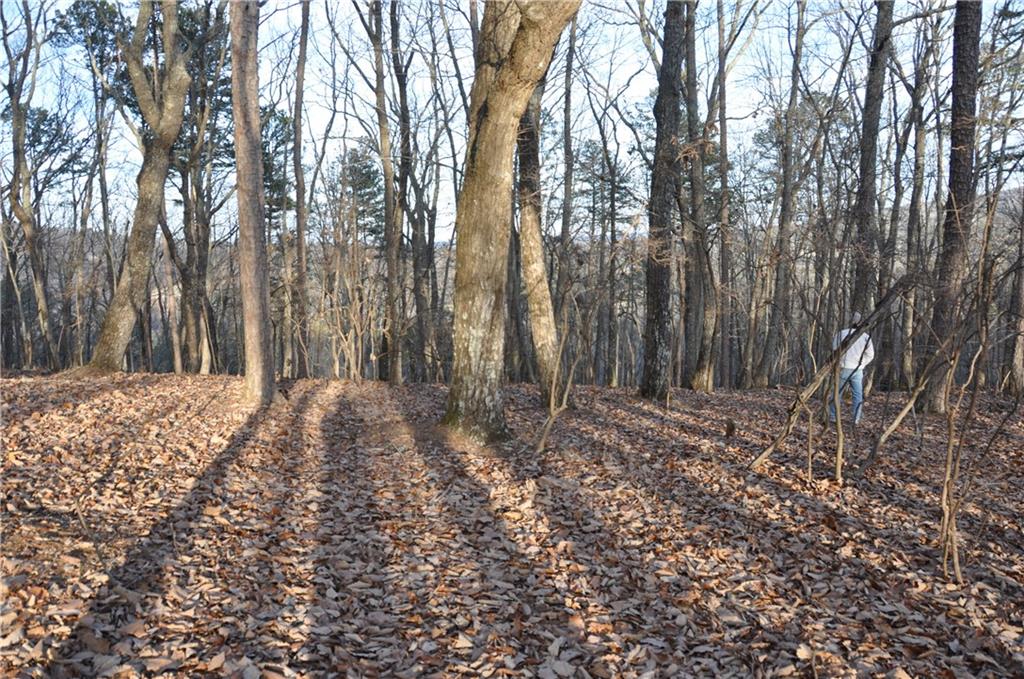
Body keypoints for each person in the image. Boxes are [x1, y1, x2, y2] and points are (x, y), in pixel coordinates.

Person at [829, 312, 874, 426]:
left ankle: (833, 416)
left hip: (843, 367)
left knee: (837, 393)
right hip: (857, 369)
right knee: (857, 395)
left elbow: (835, 350)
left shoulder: (842, 333)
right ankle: (856, 419)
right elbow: (870, 355)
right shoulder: (865, 337)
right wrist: (862, 364)